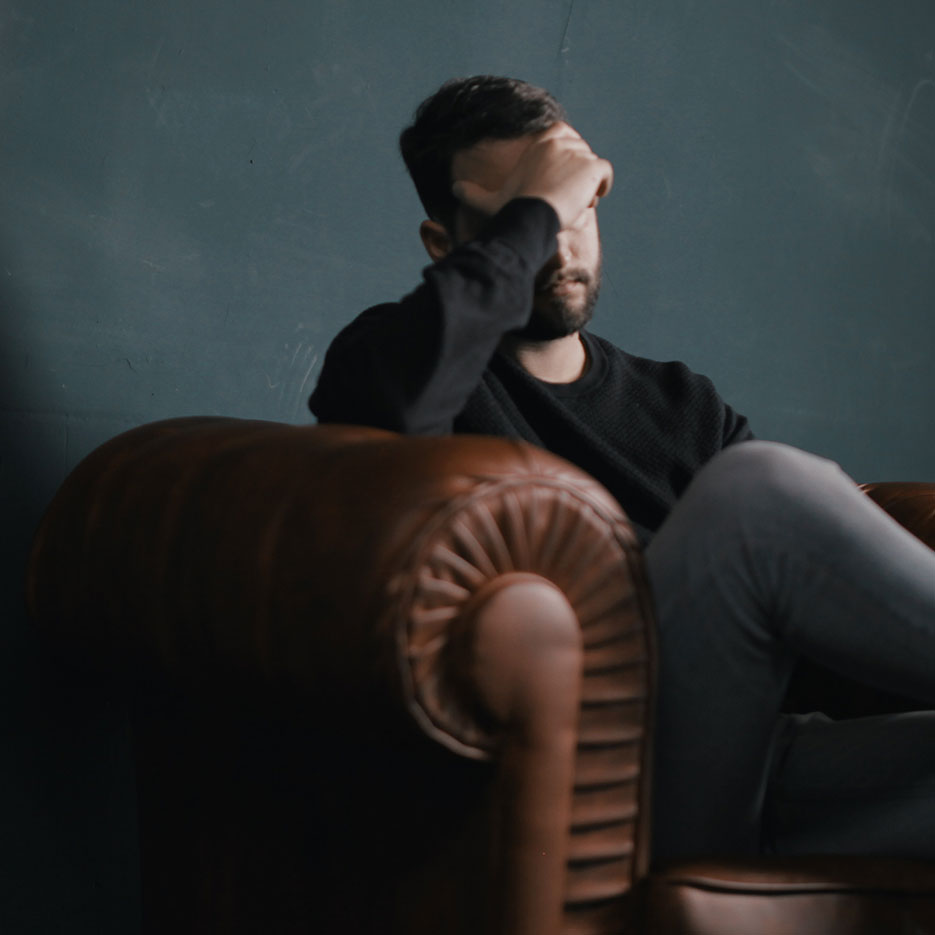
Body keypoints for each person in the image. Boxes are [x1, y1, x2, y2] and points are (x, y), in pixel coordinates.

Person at [310, 75, 935, 862]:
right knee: (756, 490)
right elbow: (393, 414)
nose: (559, 245)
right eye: (524, 217)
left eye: (576, 208)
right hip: (596, 784)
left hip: (754, 769)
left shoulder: (682, 405)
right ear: (445, 245)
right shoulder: (393, 360)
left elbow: (815, 617)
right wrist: (540, 207)